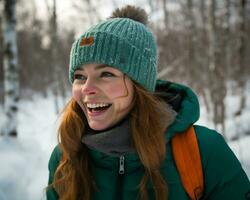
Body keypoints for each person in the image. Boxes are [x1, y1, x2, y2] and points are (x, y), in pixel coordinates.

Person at [46, 5, 250, 200]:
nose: (86, 88)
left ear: (140, 84)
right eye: (80, 76)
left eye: (106, 73)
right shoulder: (65, 159)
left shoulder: (204, 151)